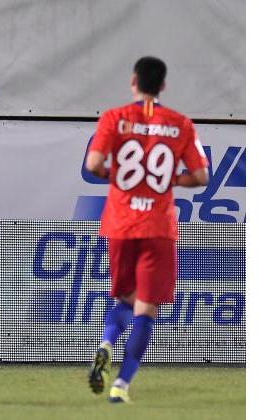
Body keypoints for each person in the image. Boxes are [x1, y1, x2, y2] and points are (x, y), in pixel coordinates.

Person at [85, 56, 209, 403]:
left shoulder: (114, 117)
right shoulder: (180, 124)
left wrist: (125, 179)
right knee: (146, 309)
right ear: (163, 85)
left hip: (121, 224)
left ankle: (106, 343)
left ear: (133, 81)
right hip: (158, 226)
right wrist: (166, 179)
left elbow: (94, 164)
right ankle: (121, 386)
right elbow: (201, 177)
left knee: (122, 300)